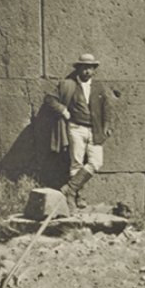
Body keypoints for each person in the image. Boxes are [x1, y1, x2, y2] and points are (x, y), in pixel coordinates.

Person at [45, 53, 113, 211]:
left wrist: (106, 127)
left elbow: (107, 108)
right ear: (79, 69)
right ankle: (75, 198)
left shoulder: (98, 87)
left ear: (94, 70)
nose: (87, 71)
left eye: (90, 68)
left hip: (95, 130)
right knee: (76, 163)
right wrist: (63, 110)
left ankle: (70, 188)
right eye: (84, 68)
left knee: (96, 162)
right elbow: (49, 99)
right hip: (76, 128)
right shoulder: (68, 85)